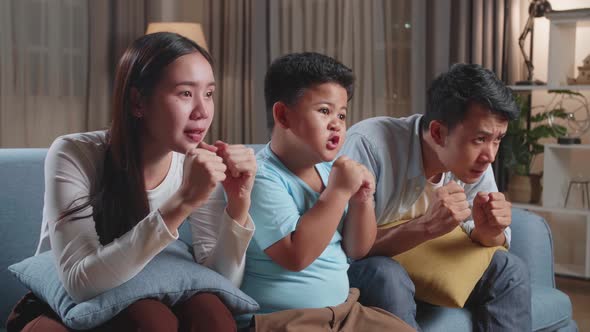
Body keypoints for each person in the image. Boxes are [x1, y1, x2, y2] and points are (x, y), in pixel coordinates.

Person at [7, 32, 256, 332]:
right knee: (152, 319)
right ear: (138, 101)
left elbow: (220, 282)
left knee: (211, 312)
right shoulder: (75, 154)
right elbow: (80, 283)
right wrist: (184, 201)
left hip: (156, 291)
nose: (202, 112)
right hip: (64, 303)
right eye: (185, 94)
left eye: (209, 93)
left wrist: (238, 205)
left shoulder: (198, 163)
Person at [340, 63, 531, 331]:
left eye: (498, 139)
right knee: (387, 275)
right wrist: (427, 227)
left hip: (427, 266)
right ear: (439, 132)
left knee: (509, 268)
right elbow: (344, 248)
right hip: (366, 269)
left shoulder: (478, 163)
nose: (490, 155)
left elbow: (492, 240)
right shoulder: (369, 144)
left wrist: (490, 232)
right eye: (480, 139)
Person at [239, 52, 414, 331]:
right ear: (283, 115)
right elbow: (296, 256)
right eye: (324, 111)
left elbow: (357, 248)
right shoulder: (261, 178)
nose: (336, 123)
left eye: (342, 114)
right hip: (285, 318)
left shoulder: (328, 171)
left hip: (343, 311)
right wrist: (339, 192)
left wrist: (362, 199)